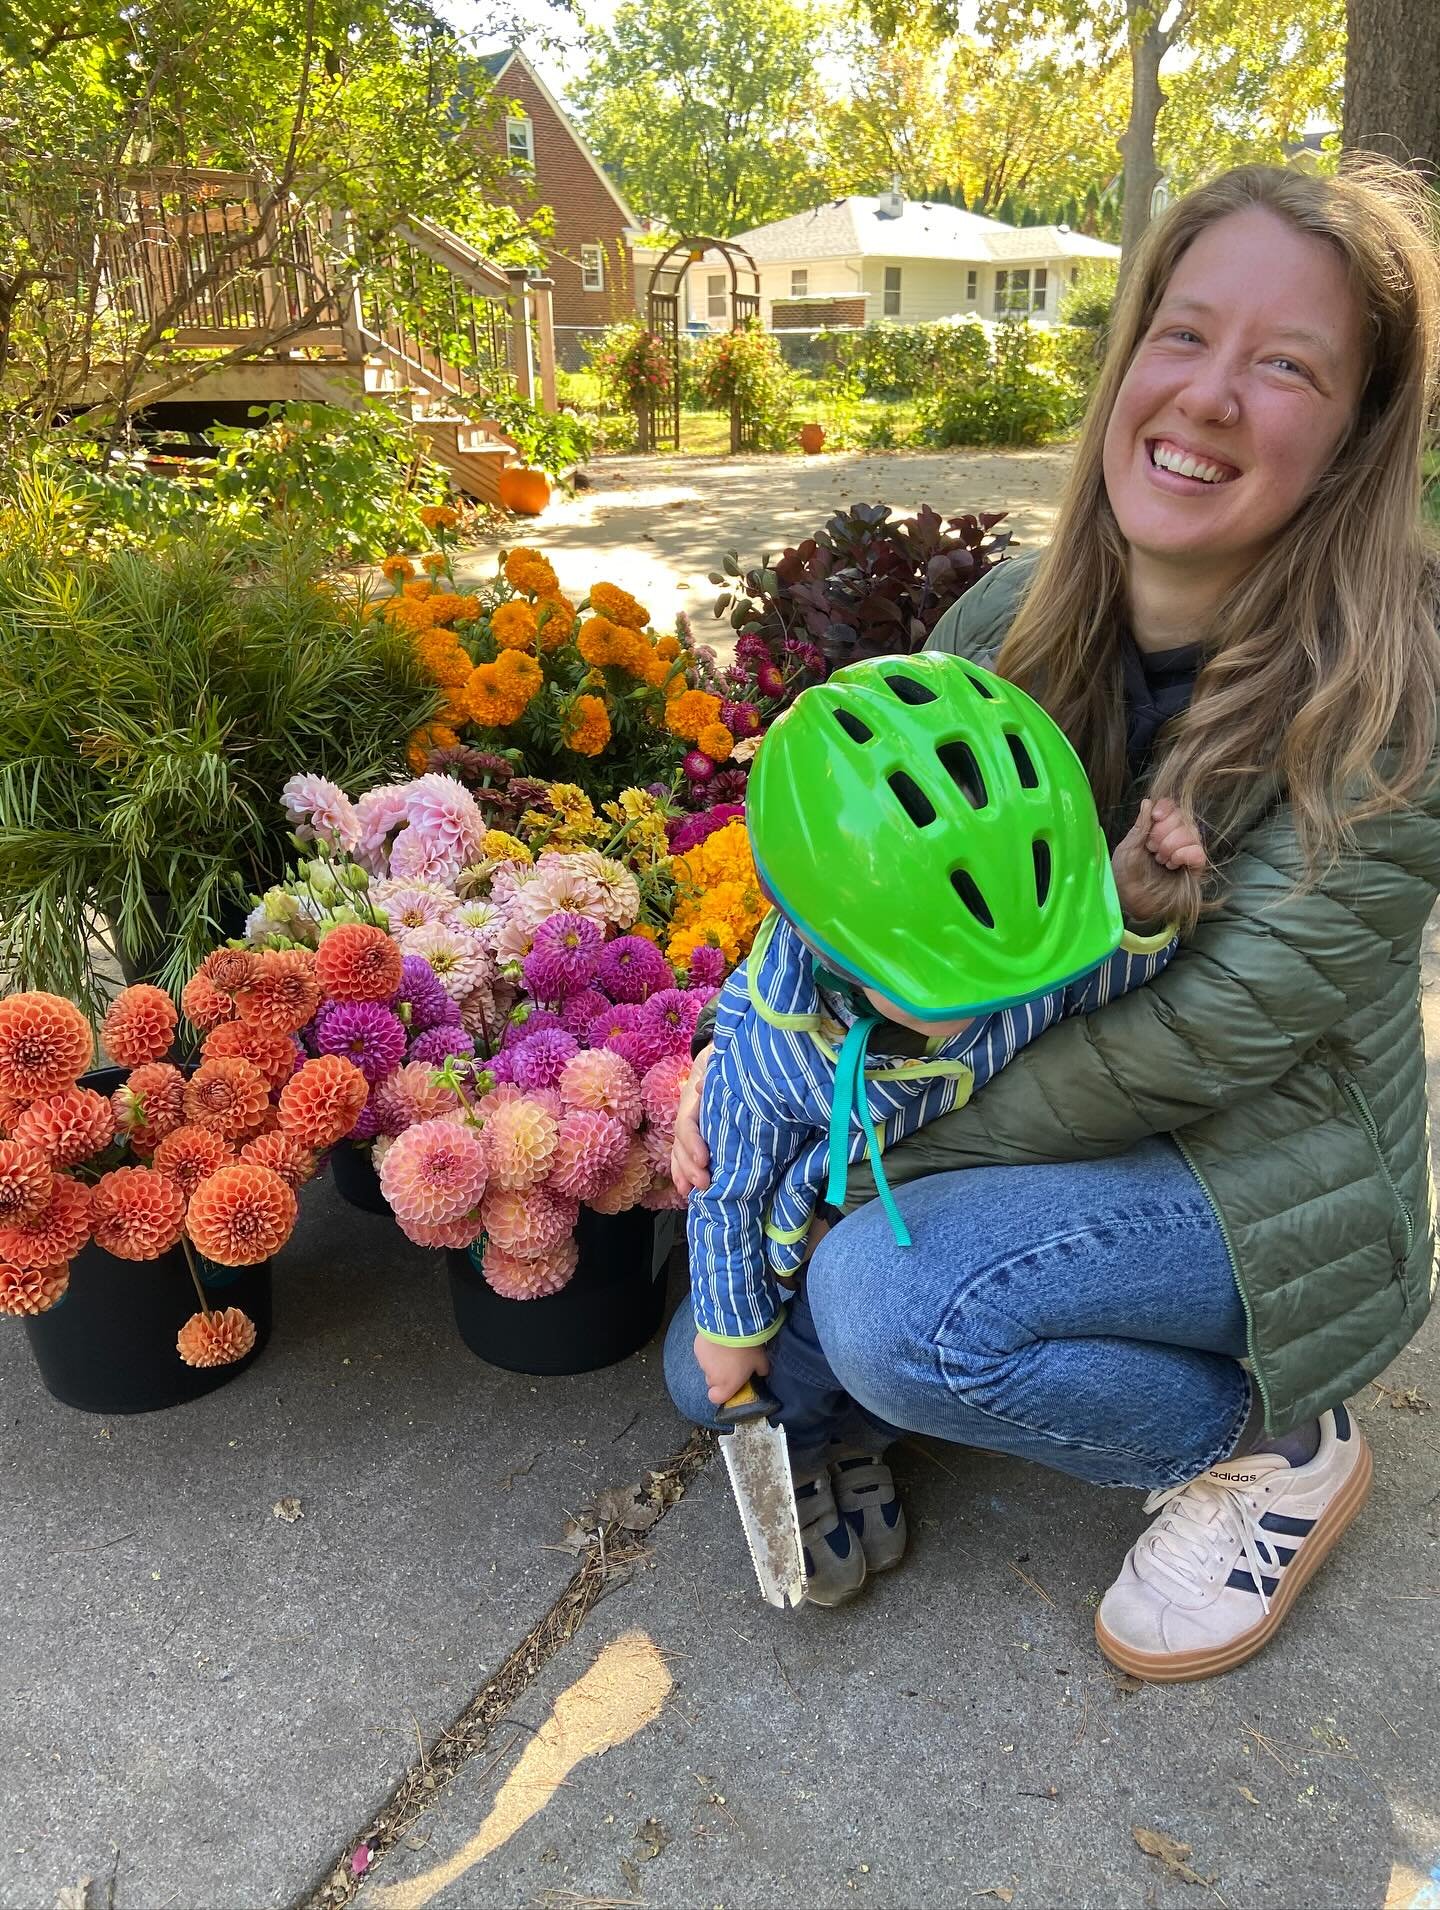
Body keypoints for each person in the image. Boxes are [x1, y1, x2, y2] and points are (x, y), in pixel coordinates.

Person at [667, 159, 1440, 1681]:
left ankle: (1274, 1439)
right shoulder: (1005, 623)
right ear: (1129, 356)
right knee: (716, 1362)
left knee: (892, 1305)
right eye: (1186, 332)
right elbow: (858, 897)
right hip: (1017, 1083)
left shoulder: (1392, 699)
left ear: (1357, 435)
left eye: (1287, 364)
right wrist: (748, 1051)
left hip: (1267, 1160)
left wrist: (870, 1140)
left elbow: (1191, 1043)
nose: (1211, 396)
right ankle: (914, 1354)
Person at [688, 650, 1205, 1603]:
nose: (992, 1012)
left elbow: (1090, 980)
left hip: (927, 1213)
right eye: (948, 988)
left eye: (1009, 982)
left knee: (880, 1356)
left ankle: (860, 1443)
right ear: (825, 935)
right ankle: (805, 1457)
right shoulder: (772, 1053)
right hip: (801, 1238)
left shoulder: (1005, 963)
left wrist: (1136, 913)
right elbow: (727, 1190)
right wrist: (731, 1326)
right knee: (747, 1373)